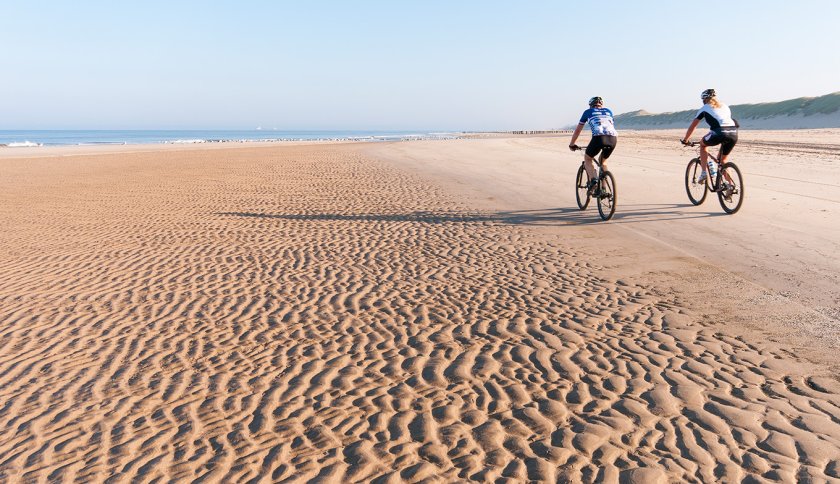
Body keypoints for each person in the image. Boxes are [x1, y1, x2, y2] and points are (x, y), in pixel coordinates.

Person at [681, 89, 738, 185]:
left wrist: (686, 140)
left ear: (704, 99)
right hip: (734, 133)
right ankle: (731, 185)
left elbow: (693, 126)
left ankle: (703, 173)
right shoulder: (725, 106)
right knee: (722, 160)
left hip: (719, 132)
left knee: (703, 145)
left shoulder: (704, 108)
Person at [569, 96, 618, 194]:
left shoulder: (587, 112)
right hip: (613, 139)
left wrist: (572, 144)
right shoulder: (609, 111)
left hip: (598, 138)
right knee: (603, 162)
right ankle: (603, 188)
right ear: (601, 104)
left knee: (588, 159)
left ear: (591, 105)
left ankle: (594, 180)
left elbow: (578, 130)